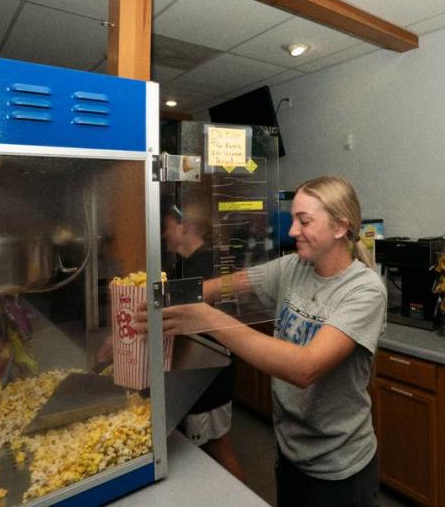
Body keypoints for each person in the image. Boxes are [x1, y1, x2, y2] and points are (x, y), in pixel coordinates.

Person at [137, 176, 387, 507]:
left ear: (340, 227)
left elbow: (305, 367)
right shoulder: (293, 267)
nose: (292, 231)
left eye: (304, 220)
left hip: (339, 470)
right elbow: (222, 286)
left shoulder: (364, 291)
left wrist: (208, 319)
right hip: (290, 455)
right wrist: (147, 306)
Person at [160, 199, 246, 482]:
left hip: (211, 376)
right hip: (194, 374)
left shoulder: (207, 264)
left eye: (169, 228)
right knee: (201, 455)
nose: (164, 234)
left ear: (187, 228)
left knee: (219, 450)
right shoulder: (183, 265)